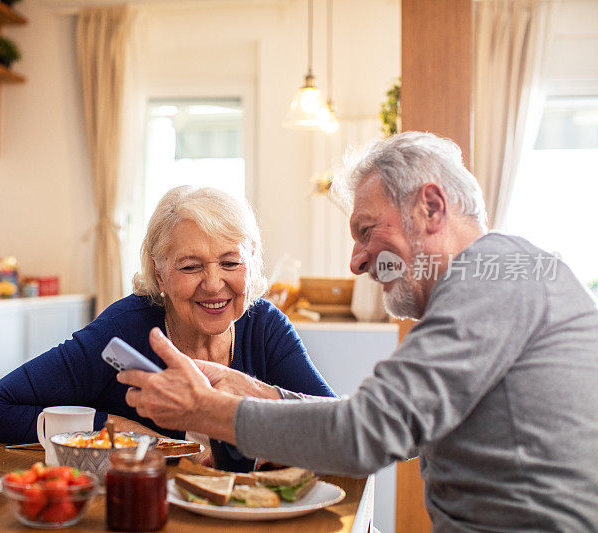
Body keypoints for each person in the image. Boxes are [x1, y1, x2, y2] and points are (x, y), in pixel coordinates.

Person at [119, 132, 598, 531]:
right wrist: (268, 397)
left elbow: (367, 433)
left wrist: (211, 411)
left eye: (366, 230)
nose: (356, 260)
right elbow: (395, 426)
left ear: (431, 207)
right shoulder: (498, 277)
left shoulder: (492, 279)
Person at [0, 185, 335, 472]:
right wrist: (132, 433)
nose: (213, 284)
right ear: (159, 272)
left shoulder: (266, 327)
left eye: (230, 262)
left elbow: (338, 430)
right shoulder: (122, 330)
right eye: (191, 267)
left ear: (251, 262)